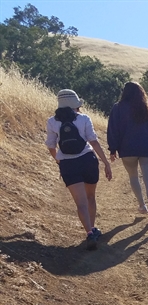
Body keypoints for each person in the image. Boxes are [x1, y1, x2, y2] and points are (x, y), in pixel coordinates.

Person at [45, 89, 113, 250]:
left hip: (68, 165)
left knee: (80, 203)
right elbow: (94, 141)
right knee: (90, 197)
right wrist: (106, 163)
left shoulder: (52, 122)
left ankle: (89, 232)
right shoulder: (83, 119)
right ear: (76, 104)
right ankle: (93, 228)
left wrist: (59, 161)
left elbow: (50, 145)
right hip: (87, 161)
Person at [107, 82, 148, 224]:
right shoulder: (146, 109)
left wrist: (112, 149)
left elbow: (113, 129)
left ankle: (142, 206)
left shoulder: (117, 108)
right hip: (146, 149)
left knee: (133, 177)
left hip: (127, 149)